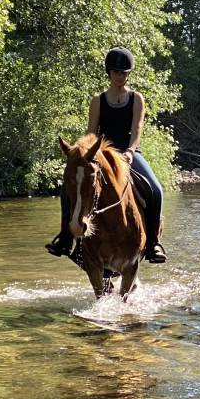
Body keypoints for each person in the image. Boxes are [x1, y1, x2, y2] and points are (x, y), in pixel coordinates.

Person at [45, 46, 166, 263]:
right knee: (67, 190)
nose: (120, 76)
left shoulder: (136, 98)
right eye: (116, 72)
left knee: (156, 190)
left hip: (128, 153)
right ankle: (65, 237)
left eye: (124, 72)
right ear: (109, 73)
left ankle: (153, 243)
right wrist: (84, 153)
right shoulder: (98, 100)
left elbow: (137, 129)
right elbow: (91, 133)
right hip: (101, 155)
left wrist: (130, 151)